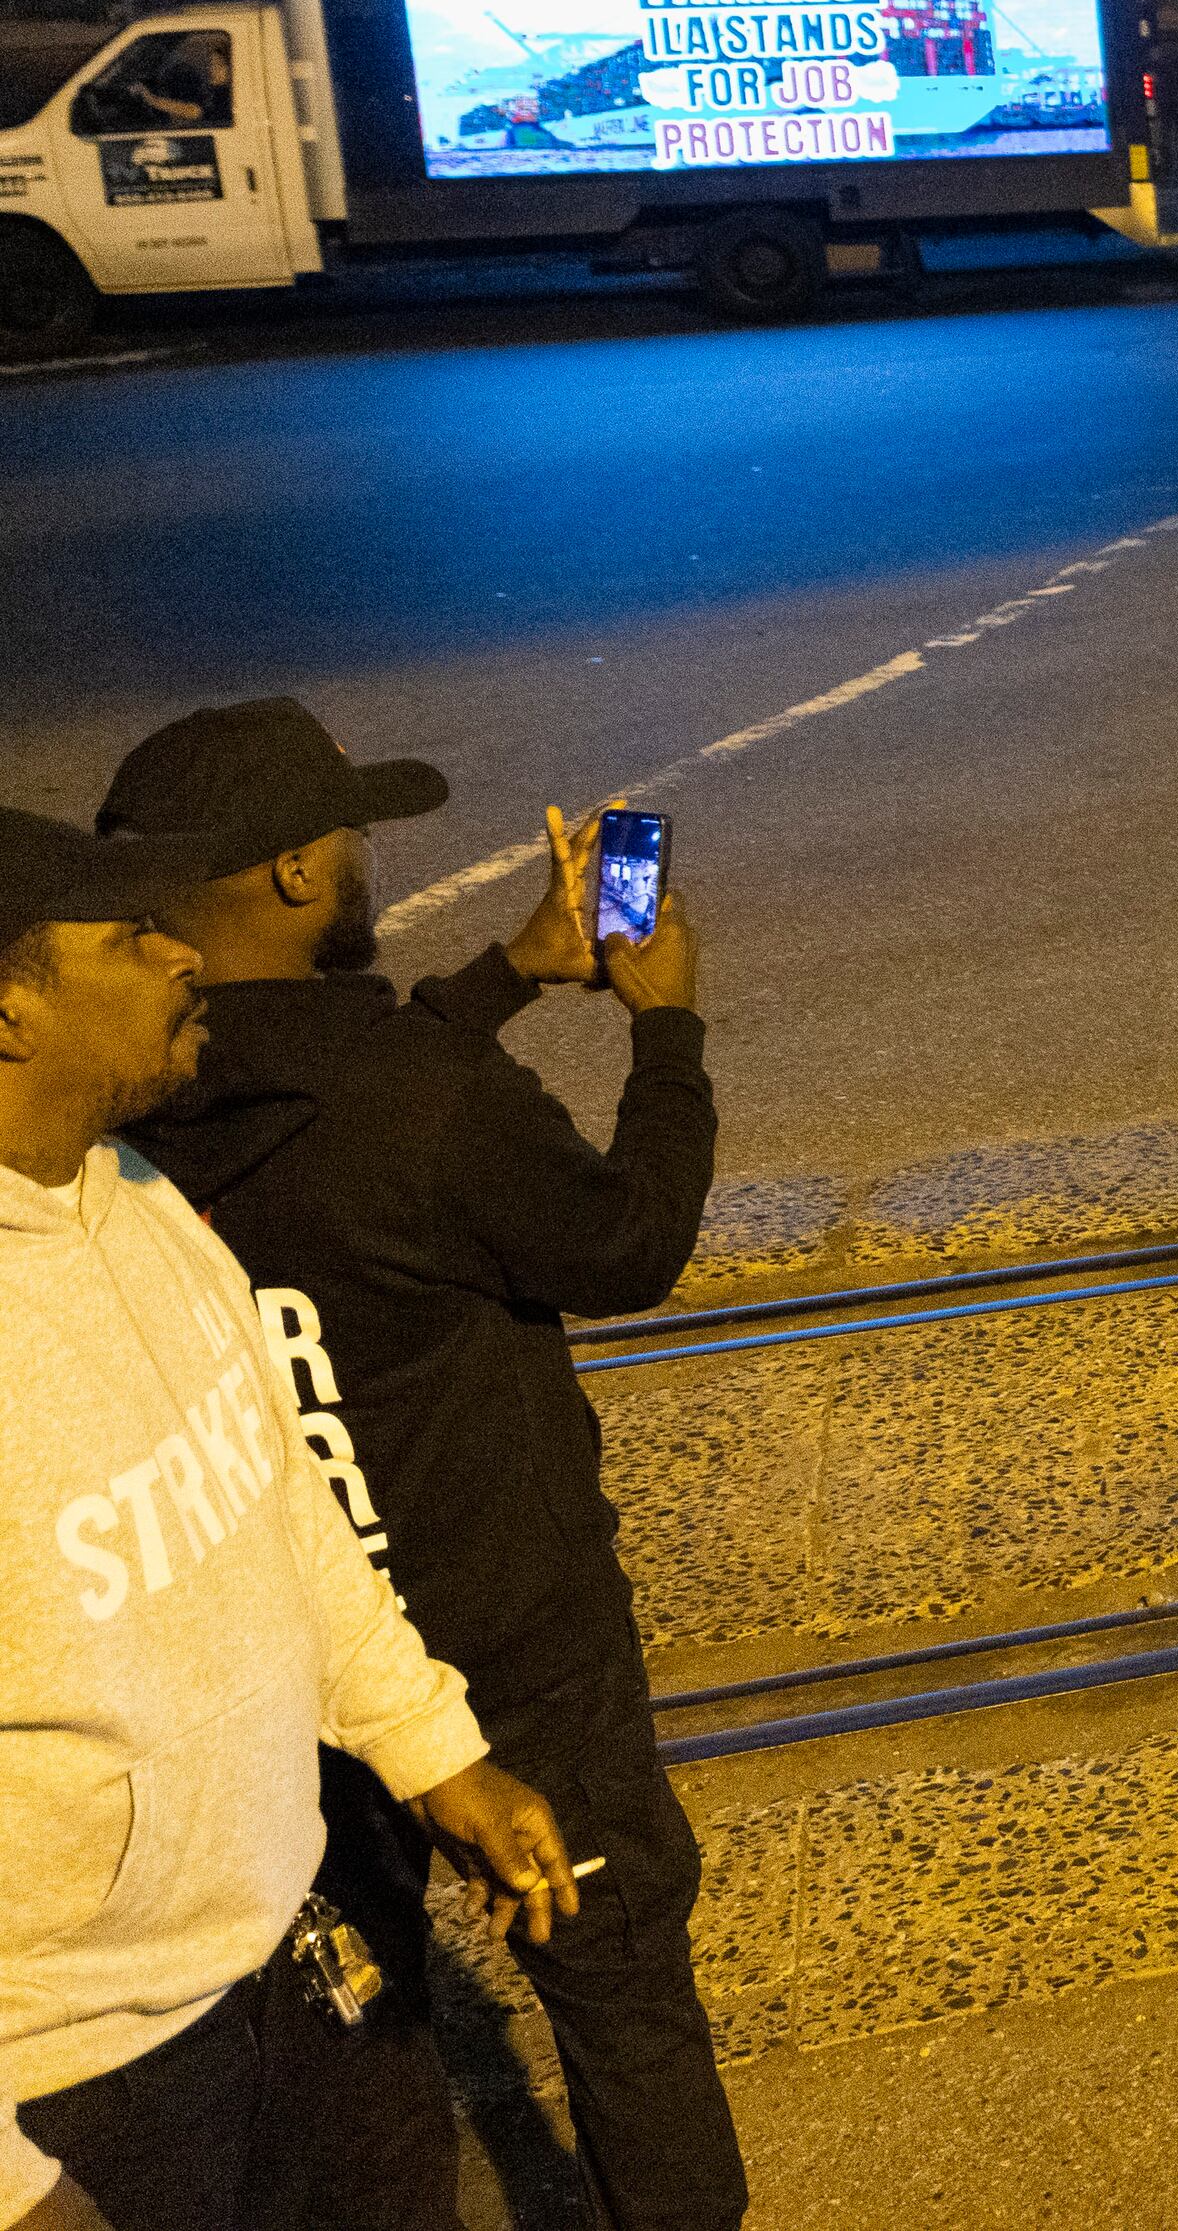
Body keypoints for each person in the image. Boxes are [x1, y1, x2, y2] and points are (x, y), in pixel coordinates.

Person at [96, 701, 738, 2231]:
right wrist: (667, 1024)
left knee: (359, 2033)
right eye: (357, 838)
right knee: (620, 1983)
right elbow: (627, 1238)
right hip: (515, 1645)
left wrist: (508, 973)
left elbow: (344, 1093)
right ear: (304, 869)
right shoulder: (427, 1104)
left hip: (298, 1661)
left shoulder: (127, 1111)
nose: (371, 860)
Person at [3, 807, 579, 2231]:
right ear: (12, 1008)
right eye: (129, 938)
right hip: (83, 2085)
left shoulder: (138, 1196)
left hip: (301, 1968)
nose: (183, 951)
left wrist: (433, 1747)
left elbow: (283, 1505)